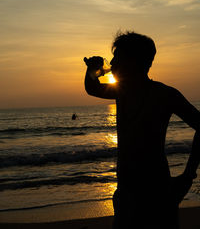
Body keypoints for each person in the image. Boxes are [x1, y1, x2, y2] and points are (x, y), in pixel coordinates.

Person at [84, 31, 200, 229]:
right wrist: (92, 71)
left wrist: (189, 175)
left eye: (117, 57)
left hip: (158, 194)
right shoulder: (122, 91)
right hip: (126, 193)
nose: (111, 63)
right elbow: (92, 87)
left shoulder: (164, 94)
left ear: (133, 61)